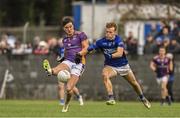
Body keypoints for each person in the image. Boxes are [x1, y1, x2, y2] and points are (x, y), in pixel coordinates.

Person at [88, 22, 151, 109]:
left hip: (123, 66)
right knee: (105, 75)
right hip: (110, 66)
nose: (108, 34)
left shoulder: (118, 40)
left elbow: (119, 53)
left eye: (110, 32)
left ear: (115, 32)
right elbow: (89, 48)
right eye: (107, 32)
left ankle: (142, 98)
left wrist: (109, 55)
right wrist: (84, 51)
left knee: (134, 84)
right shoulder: (101, 41)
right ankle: (111, 98)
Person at [43, 16, 89, 112]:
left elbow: (86, 48)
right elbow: (66, 54)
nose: (69, 29)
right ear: (64, 28)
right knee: (56, 69)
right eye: (66, 28)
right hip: (68, 61)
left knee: (68, 89)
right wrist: (62, 58)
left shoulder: (81, 35)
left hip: (79, 63)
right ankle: (50, 71)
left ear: (73, 26)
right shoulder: (64, 40)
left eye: (70, 27)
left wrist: (80, 54)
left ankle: (66, 105)